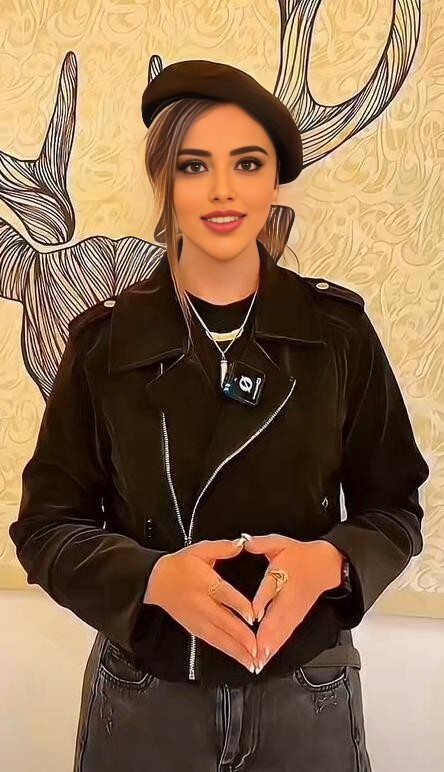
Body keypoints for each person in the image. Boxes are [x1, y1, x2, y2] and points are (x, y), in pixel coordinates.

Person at [9, 59, 429, 772]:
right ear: (164, 183)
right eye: (194, 165)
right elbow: (46, 528)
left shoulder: (338, 335)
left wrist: (329, 561)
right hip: (146, 695)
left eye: (248, 163)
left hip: (306, 690)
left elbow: (395, 509)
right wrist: (151, 578)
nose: (223, 189)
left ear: (275, 181)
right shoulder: (103, 342)